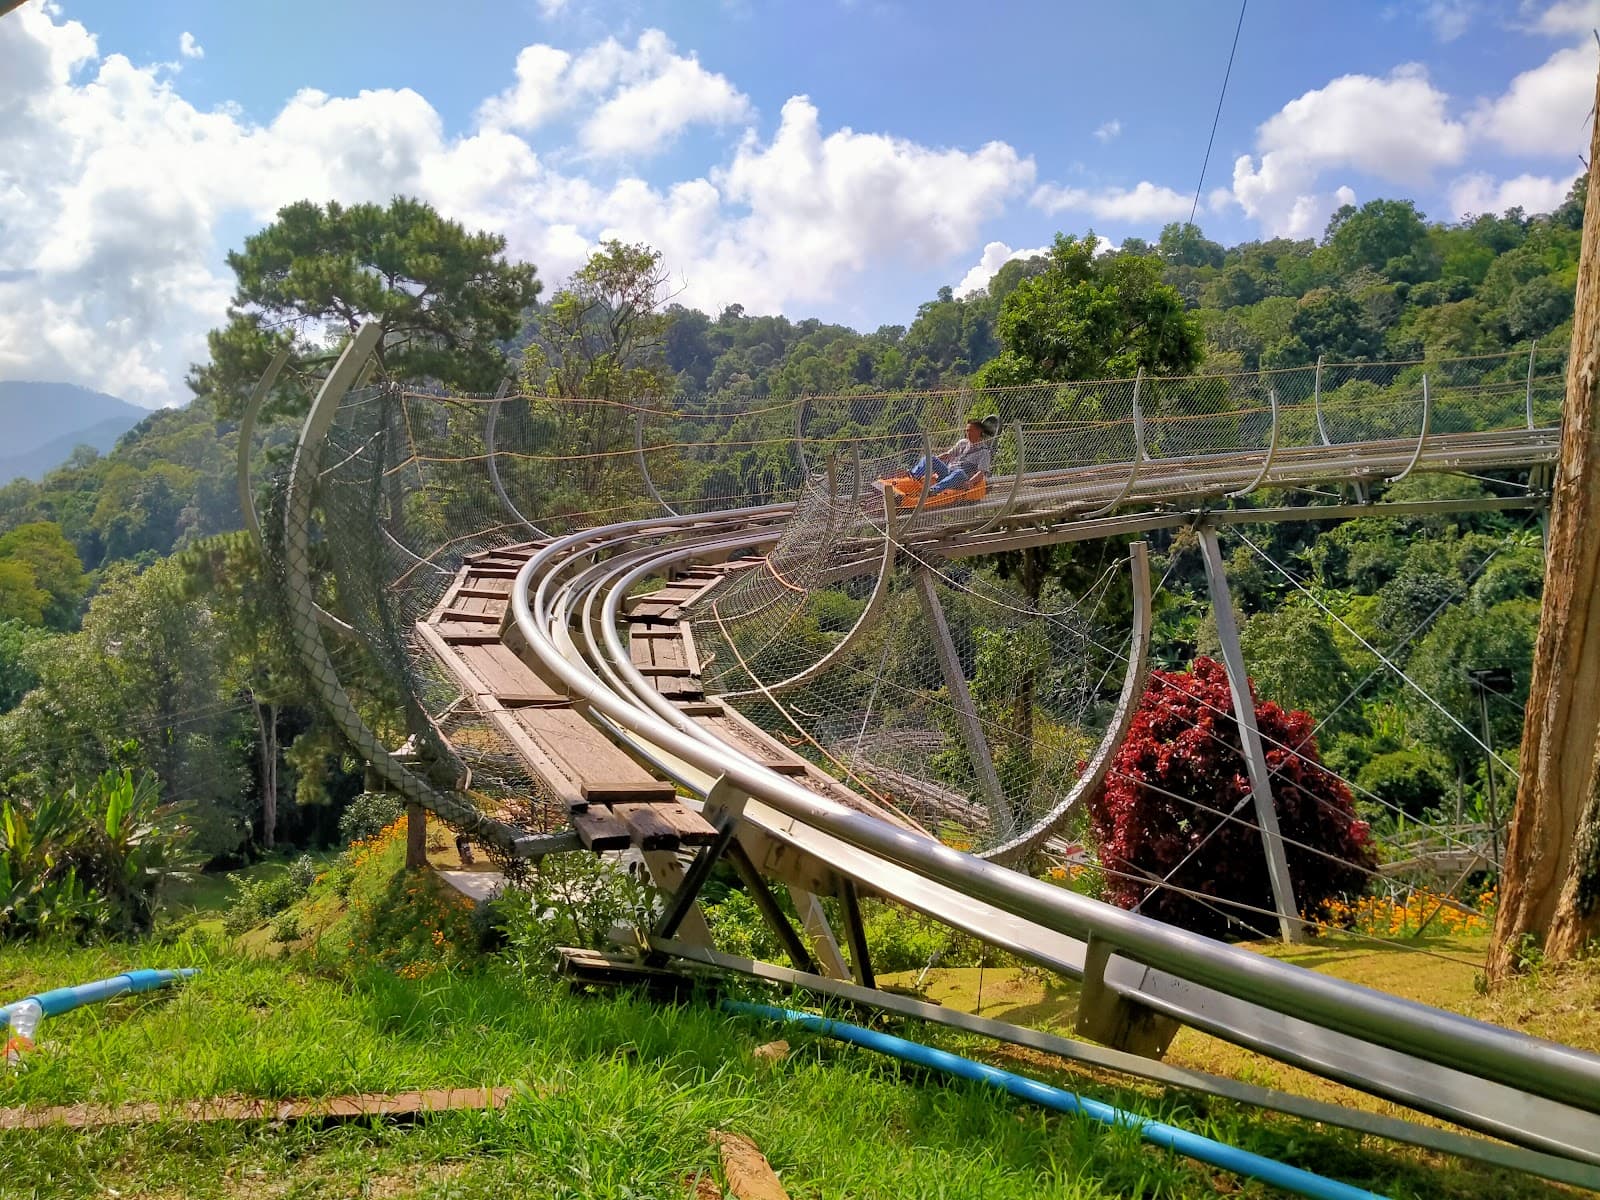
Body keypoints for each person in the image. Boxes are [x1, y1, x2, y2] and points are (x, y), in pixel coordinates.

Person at [900, 414, 1001, 494]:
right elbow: (948, 454)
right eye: (967, 431)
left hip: (961, 478)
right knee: (929, 458)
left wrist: (969, 482)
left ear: (979, 432)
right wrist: (932, 461)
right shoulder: (963, 443)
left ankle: (932, 491)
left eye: (971, 431)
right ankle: (913, 476)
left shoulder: (984, 452)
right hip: (948, 471)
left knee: (959, 472)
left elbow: (981, 473)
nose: (968, 434)